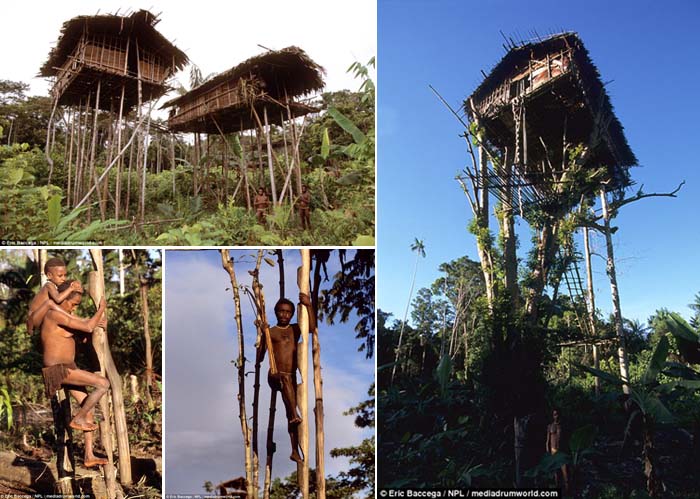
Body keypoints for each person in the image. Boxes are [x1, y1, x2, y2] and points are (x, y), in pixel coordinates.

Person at [41, 280, 109, 468]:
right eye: (72, 304)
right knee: (103, 384)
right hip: (59, 370)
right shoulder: (54, 315)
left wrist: (97, 323)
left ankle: (89, 455)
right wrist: (101, 309)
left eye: (76, 305)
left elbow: (86, 329)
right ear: (61, 299)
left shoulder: (65, 316)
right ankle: (78, 418)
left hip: (68, 368)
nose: (73, 308)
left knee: (88, 405)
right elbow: (87, 326)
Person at [257, 293, 316, 463]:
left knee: (291, 414)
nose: (284, 315)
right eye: (281, 312)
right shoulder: (272, 332)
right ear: (276, 312)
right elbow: (260, 358)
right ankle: (293, 413)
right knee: (285, 383)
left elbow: (311, 328)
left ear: (292, 314)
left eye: (288, 312)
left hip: (290, 378)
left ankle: (294, 451)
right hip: (275, 375)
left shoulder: (295, 329)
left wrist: (308, 305)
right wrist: (263, 336)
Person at [26, 257, 83, 334]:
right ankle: (75, 319)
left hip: (40, 318)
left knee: (63, 307)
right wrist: (71, 288)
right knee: (50, 303)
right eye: (60, 276)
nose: (63, 278)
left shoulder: (56, 287)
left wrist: (76, 287)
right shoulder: (49, 285)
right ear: (49, 275)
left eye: (64, 275)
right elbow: (58, 299)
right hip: (33, 319)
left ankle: (77, 320)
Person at [545, 408, 569, 491]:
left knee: (565, 474)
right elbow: (547, 441)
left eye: (557, 414)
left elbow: (567, 439)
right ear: (553, 416)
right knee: (556, 474)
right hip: (553, 451)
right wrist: (548, 452)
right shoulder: (550, 426)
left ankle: (568, 491)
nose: (556, 416)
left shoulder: (563, 426)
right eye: (555, 414)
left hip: (562, 452)